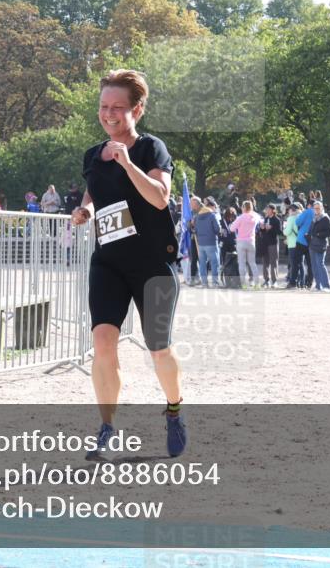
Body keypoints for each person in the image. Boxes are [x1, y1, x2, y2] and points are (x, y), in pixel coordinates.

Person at [70, 69, 185, 459]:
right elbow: (94, 189)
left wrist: (128, 164)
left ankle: (173, 410)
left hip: (153, 264)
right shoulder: (92, 154)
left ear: (137, 109)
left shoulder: (151, 148)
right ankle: (107, 426)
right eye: (104, 106)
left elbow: (159, 198)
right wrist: (84, 209)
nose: (109, 114)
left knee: (159, 350)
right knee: (102, 342)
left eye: (118, 107)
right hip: (109, 262)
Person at [230, 200, 262, 288]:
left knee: (242, 263)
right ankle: (257, 283)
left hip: (241, 241)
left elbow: (232, 229)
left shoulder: (240, 217)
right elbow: (261, 220)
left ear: (243, 207)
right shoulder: (255, 216)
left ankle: (243, 284)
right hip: (251, 241)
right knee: (252, 263)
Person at [193, 196, 221, 288]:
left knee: (202, 263)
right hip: (212, 242)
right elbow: (217, 229)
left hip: (201, 243)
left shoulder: (197, 217)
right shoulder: (212, 215)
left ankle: (204, 283)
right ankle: (215, 283)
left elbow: (195, 230)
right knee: (214, 263)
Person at [308, 201, 330, 292]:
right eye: (315, 208)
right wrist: (308, 235)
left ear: (322, 208)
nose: (317, 210)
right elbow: (311, 230)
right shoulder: (314, 218)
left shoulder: (325, 218)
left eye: (318, 208)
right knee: (314, 265)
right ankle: (318, 285)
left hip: (321, 244)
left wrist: (318, 234)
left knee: (320, 264)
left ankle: (326, 286)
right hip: (312, 244)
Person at [294, 201, 315, 289]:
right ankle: (309, 283)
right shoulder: (318, 213)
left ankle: (298, 281)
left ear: (308, 205)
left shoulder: (307, 212)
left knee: (298, 262)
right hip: (312, 241)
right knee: (310, 264)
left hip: (302, 239)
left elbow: (297, 222)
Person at [260, 204, 282, 287]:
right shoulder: (265, 219)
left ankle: (274, 281)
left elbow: (280, 232)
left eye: (268, 209)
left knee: (273, 262)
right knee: (265, 263)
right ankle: (266, 280)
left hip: (273, 243)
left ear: (273, 210)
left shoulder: (277, 220)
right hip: (265, 243)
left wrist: (271, 228)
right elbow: (262, 232)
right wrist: (262, 228)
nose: (267, 211)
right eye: (266, 209)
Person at [283, 203, 304, 288]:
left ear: (291, 210)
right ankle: (302, 282)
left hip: (293, 243)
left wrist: (284, 229)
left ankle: (293, 282)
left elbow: (287, 232)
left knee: (294, 264)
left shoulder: (291, 218)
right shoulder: (302, 217)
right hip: (302, 243)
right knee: (301, 264)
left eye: (289, 210)